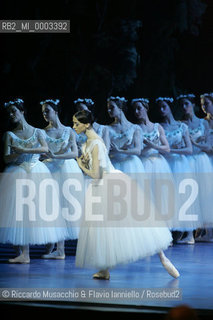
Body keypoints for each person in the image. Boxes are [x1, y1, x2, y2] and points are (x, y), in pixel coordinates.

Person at [72, 109, 180, 280]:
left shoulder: (96, 143)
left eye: (77, 124)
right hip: (99, 186)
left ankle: (163, 258)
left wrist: (80, 164)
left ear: (87, 124)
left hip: (109, 183)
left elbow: (97, 173)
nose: (74, 126)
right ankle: (104, 268)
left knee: (135, 220)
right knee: (103, 229)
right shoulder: (88, 143)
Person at [0, 98, 69, 263]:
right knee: (20, 212)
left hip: (37, 171)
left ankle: (50, 249)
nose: (11, 115)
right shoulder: (9, 135)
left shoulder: (37, 131)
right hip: (17, 171)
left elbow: (45, 148)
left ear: (22, 111)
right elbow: (6, 158)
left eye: (14, 111)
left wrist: (24, 149)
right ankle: (23, 253)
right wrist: (18, 153)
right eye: (9, 113)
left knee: (37, 211)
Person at [40, 99, 84, 259]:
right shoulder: (43, 132)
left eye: (47, 111)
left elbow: (75, 153)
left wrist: (55, 155)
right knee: (52, 208)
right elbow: (43, 154)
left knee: (66, 207)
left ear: (56, 111)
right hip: (50, 170)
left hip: (67, 169)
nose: (45, 114)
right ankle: (54, 245)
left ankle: (60, 249)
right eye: (43, 112)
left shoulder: (69, 131)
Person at [155, 97, 202, 243]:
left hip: (180, 164)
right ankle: (168, 233)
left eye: (164, 107)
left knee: (184, 196)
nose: (162, 110)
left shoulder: (182, 127)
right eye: (159, 108)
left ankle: (189, 234)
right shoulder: (159, 126)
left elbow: (189, 149)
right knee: (167, 197)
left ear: (170, 107)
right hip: (166, 164)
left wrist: (173, 149)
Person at [131, 98, 175, 231]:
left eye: (139, 108)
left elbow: (166, 148)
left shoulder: (157, 127)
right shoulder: (135, 128)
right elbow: (137, 151)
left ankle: (164, 231)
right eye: (135, 110)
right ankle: (148, 230)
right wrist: (149, 148)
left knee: (161, 197)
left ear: (146, 108)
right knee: (145, 198)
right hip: (144, 164)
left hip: (159, 164)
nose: (137, 112)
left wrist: (152, 145)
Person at [177, 93, 213, 241]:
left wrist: (195, 143)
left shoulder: (203, 124)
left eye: (207, 104)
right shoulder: (183, 124)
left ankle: (208, 232)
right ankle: (193, 231)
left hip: (202, 159)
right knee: (192, 195)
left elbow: (208, 146)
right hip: (190, 161)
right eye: (203, 104)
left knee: (205, 195)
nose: (204, 107)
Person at [106, 96, 145, 179]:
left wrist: (120, 150)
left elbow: (138, 150)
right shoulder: (107, 129)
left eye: (112, 107)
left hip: (131, 165)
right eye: (108, 108)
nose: (109, 110)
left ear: (120, 107)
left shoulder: (134, 128)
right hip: (114, 164)